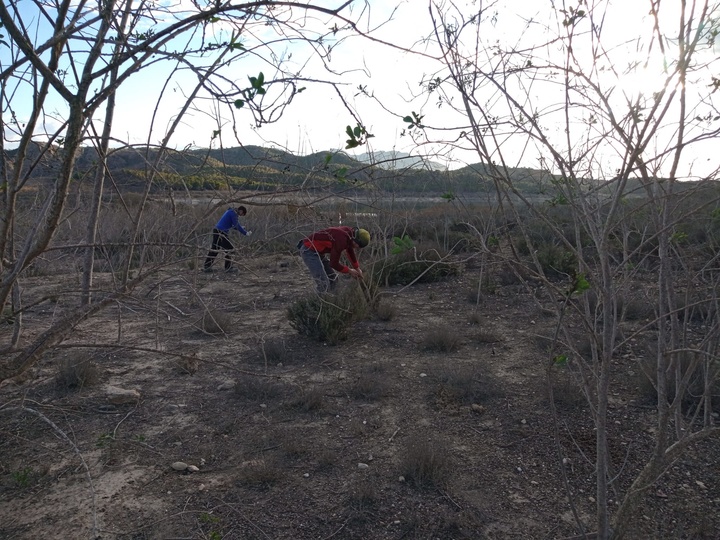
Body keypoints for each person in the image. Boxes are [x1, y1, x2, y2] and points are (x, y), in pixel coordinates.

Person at [298, 226, 370, 293]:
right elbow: (334, 264)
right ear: (355, 239)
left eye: (359, 246)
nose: (356, 247)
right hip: (308, 250)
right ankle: (319, 304)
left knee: (333, 278)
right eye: (357, 244)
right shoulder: (341, 240)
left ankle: (331, 298)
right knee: (323, 283)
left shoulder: (350, 234)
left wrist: (357, 268)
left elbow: (350, 250)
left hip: (319, 252)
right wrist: (350, 271)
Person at [203, 206, 252, 273]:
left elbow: (233, 225)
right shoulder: (233, 214)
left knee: (215, 249)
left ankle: (207, 266)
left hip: (217, 230)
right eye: (242, 214)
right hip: (221, 232)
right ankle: (228, 268)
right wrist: (245, 233)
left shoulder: (230, 211)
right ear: (241, 211)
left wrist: (241, 228)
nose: (240, 215)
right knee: (229, 249)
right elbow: (237, 225)